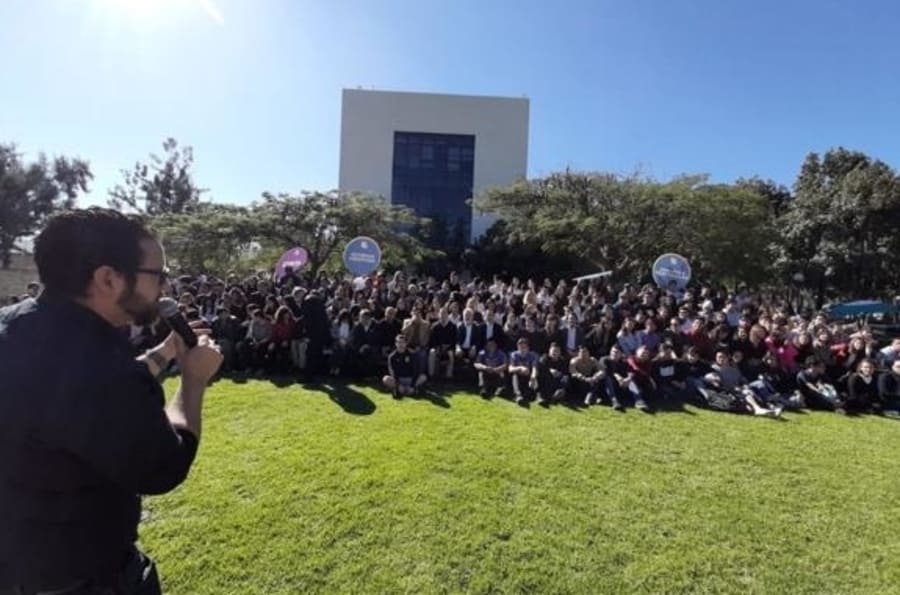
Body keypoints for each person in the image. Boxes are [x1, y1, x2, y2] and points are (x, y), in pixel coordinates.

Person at [0, 208, 223, 594]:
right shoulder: (105, 367)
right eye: (159, 275)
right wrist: (192, 380)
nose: (165, 289)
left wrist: (165, 352)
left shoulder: (15, 326)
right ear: (108, 278)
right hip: (81, 578)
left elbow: (72, 393)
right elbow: (165, 464)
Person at [383, 334, 426, 398]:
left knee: (423, 377)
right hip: (399, 379)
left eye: (403, 342)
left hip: (410, 378)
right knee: (385, 379)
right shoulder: (392, 356)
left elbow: (416, 370)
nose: (401, 344)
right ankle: (403, 389)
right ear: (396, 344)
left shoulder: (412, 354)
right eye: (399, 342)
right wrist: (398, 384)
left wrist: (412, 385)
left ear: (406, 343)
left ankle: (411, 389)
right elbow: (392, 372)